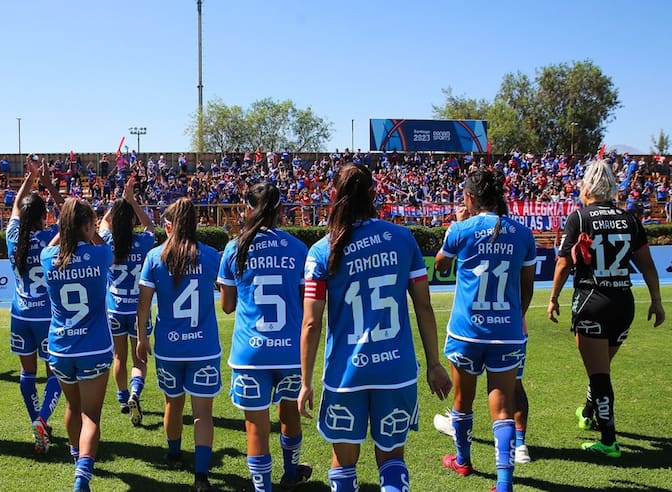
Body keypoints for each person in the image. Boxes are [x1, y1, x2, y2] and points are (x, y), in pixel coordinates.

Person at [298, 164, 452, 492]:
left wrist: (305, 382)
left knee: (344, 464)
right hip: (396, 370)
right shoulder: (402, 238)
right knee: (393, 460)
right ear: (372, 194)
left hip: (345, 375)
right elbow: (423, 306)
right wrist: (434, 364)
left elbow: (312, 322)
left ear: (333, 196)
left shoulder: (322, 251)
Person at [548, 159, 665, 458]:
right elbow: (648, 265)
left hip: (592, 301)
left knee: (599, 374)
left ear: (586, 186)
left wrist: (553, 298)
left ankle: (609, 440)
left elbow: (563, 263)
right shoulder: (630, 219)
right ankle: (587, 413)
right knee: (600, 368)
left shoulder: (579, 218)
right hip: (624, 302)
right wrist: (656, 300)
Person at [434, 169, 536, 492]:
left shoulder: (461, 230)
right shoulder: (523, 234)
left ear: (470, 198)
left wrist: (456, 222)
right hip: (506, 331)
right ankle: (504, 484)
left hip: (467, 331)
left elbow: (440, 265)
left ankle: (463, 461)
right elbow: (527, 288)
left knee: (463, 400)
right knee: (503, 404)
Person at [218, 183, 312, 492]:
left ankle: (263, 488)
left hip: (251, 352)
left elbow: (228, 306)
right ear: (280, 211)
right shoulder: (298, 248)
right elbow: (304, 301)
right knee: (290, 414)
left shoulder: (235, 248)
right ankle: (290, 472)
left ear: (248, 209)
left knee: (256, 427)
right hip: (289, 351)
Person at [136, 198, 222, 492]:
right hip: (204, 347)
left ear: (169, 226)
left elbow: (144, 307)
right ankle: (201, 476)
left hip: (168, 347)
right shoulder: (211, 256)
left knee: (172, 402)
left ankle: (173, 454)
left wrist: (142, 338)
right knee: (203, 413)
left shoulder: (153, 258)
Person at [41, 199, 113, 492]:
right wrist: (91, 229)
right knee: (91, 415)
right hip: (94, 347)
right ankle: (82, 478)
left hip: (60, 347)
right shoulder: (101, 254)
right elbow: (99, 238)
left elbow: (60, 242)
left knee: (72, 405)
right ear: (87, 226)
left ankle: (75, 458)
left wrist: (66, 225)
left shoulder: (47, 257)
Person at [6, 158, 67, 454]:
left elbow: (17, 205)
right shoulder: (48, 238)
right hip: (47, 317)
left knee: (26, 375)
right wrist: (47, 183)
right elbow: (69, 215)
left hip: (20, 314)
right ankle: (43, 419)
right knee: (54, 374)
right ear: (43, 216)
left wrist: (30, 180)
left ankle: (36, 424)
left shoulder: (13, 237)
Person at [433, 321, 533, 465]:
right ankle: (519, 446)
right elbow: (527, 297)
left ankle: (462, 459)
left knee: (463, 396)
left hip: (469, 330)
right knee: (513, 386)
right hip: (510, 328)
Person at [98, 175, 155, 424]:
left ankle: (122, 398)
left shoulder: (107, 242)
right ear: (132, 220)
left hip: (114, 309)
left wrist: (120, 201)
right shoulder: (142, 242)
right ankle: (135, 392)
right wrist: (132, 202)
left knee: (118, 357)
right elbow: (150, 226)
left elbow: (103, 222)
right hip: (138, 311)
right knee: (138, 357)